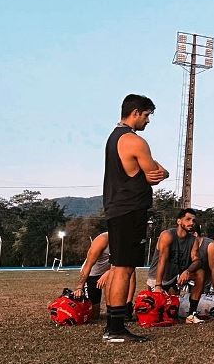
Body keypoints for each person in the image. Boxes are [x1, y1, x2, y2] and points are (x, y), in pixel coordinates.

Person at [102, 93, 168, 343]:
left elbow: (153, 170)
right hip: (129, 210)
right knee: (124, 268)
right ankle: (115, 328)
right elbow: (155, 172)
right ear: (137, 112)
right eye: (148, 115)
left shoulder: (115, 138)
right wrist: (157, 169)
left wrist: (154, 169)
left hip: (119, 209)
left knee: (121, 267)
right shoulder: (134, 141)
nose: (148, 121)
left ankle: (113, 326)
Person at [146, 208, 206, 324]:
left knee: (200, 272)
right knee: (157, 313)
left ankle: (191, 314)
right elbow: (162, 260)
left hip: (174, 278)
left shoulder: (194, 240)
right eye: (188, 219)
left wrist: (188, 271)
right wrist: (158, 285)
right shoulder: (167, 235)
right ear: (179, 221)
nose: (191, 223)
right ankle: (159, 290)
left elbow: (197, 260)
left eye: (193, 220)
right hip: (158, 277)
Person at [73, 232, 135, 321]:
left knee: (131, 271)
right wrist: (79, 287)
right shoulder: (102, 240)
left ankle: (127, 306)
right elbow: (88, 265)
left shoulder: (127, 241)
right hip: (92, 275)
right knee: (94, 316)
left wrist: (108, 272)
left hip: (112, 272)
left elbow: (126, 264)